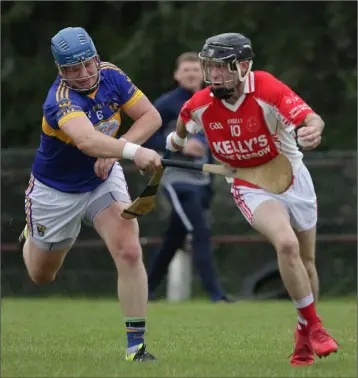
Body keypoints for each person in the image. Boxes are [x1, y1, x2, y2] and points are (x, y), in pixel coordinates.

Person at [166, 33, 338, 366]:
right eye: (210, 67)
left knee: (306, 262)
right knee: (285, 245)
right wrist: (173, 142)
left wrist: (312, 130)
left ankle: (304, 334)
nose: (215, 75)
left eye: (223, 68)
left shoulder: (267, 89)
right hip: (249, 184)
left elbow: (311, 118)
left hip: (292, 176)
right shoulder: (200, 104)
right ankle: (316, 327)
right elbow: (182, 128)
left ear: (243, 66)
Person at [18, 26, 164, 362]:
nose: (83, 74)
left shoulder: (111, 74)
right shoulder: (60, 100)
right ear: (60, 70)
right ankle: (31, 235)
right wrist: (131, 151)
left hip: (101, 181)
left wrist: (116, 153)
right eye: (72, 68)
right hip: (56, 193)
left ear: (96, 58)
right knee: (42, 276)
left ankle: (135, 348)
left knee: (128, 251)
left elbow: (150, 116)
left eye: (87, 64)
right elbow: (85, 140)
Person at [143, 52, 232, 302]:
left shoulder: (214, 101)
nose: (192, 74)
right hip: (176, 180)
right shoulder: (166, 104)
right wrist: (180, 146)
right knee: (199, 231)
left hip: (204, 179)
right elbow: (146, 136)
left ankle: (146, 289)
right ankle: (217, 295)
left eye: (196, 70)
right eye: (186, 70)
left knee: (175, 236)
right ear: (176, 75)